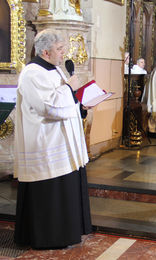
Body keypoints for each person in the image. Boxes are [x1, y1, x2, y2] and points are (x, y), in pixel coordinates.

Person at [13, 29, 92, 249]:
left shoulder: (55, 70)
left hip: (63, 144)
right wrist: (69, 88)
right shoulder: (32, 73)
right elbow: (48, 107)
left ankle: (66, 234)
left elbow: (64, 102)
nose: (63, 52)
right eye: (59, 48)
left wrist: (81, 106)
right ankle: (49, 237)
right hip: (46, 145)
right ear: (45, 51)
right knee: (51, 194)